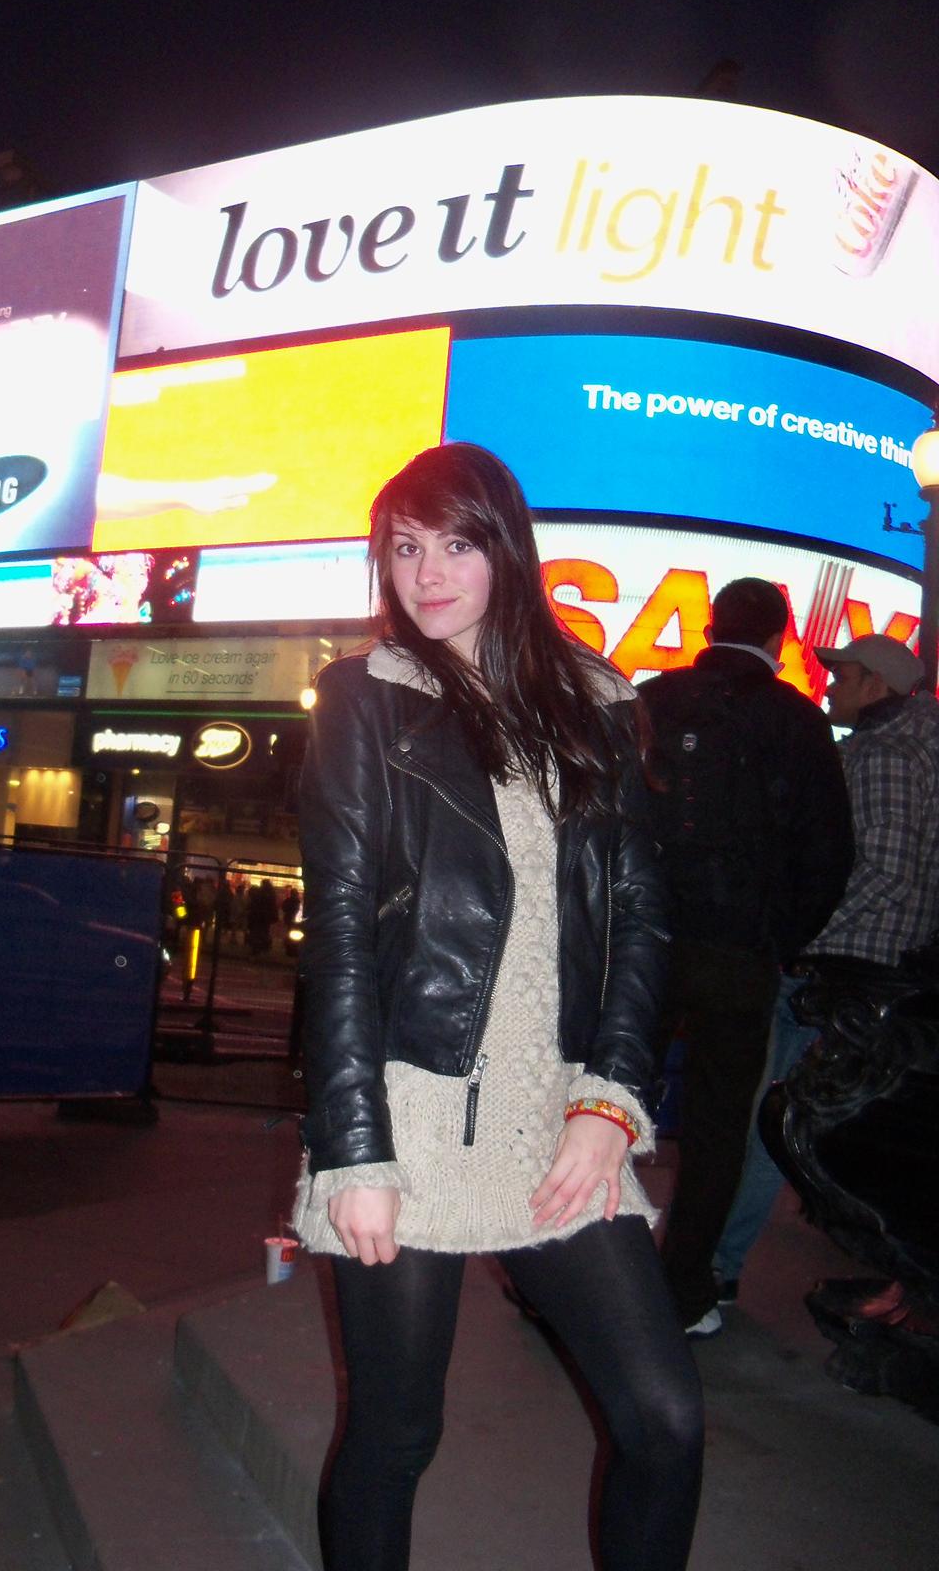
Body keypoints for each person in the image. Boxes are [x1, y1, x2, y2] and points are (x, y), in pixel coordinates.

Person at [292, 443, 703, 1571]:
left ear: (506, 551)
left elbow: (639, 919)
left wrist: (610, 1102)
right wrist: (354, 1151)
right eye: (405, 547)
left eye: (456, 544)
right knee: (395, 1433)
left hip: (560, 1113)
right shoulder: (365, 699)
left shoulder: (597, 703)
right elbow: (339, 935)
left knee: (665, 1417)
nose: (426, 573)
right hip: (410, 1112)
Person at [638, 579, 853, 1337]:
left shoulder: (655, 700)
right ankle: (683, 1288)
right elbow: (829, 854)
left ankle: (577, 1273)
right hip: (740, 951)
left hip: (646, 944)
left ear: (710, 625)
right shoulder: (798, 720)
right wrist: (779, 939)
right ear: (778, 638)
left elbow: (602, 818)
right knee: (718, 1127)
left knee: (607, 1104)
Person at [714, 633, 939, 1300]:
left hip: (843, 971)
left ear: (876, 684)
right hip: (891, 974)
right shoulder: (919, 746)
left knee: (777, 1121)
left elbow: (888, 873)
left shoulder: (884, 753)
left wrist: (806, 932)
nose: (830, 686)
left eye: (842, 676)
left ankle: (717, 1268)